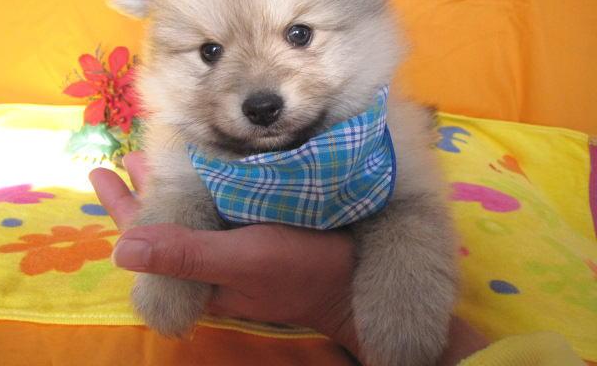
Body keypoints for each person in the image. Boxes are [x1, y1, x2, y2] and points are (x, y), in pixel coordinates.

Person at [90, 152, 584, 366]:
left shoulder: (379, 140)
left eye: (299, 35)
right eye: (211, 51)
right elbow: (181, 181)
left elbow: (410, 201)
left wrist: (341, 304)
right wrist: (177, 209)